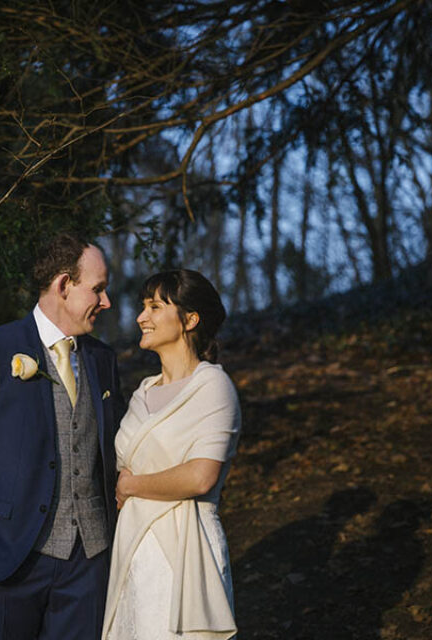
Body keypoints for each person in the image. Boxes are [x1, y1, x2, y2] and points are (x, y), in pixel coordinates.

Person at [0, 234, 124, 640]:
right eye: (98, 289)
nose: (106, 302)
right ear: (63, 285)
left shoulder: (103, 360)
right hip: (6, 559)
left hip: (89, 565)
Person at [103, 269, 240, 640]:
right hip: (134, 548)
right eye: (143, 306)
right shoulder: (143, 392)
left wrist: (131, 485)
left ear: (189, 320)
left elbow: (200, 477)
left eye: (155, 306)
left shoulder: (212, 385)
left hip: (183, 546)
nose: (141, 317)